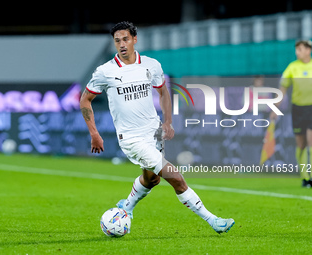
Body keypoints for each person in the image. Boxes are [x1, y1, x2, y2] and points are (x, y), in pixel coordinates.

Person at [80, 21, 234, 233]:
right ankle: (213, 220)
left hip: (153, 132)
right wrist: (94, 134)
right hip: (132, 138)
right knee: (176, 178)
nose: (122, 44)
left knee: (151, 179)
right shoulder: (105, 71)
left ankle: (128, 206)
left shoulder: (151, 65)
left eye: (125, 39)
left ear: (134, 39)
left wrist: (168, 122)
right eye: (117, 41)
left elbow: (163, 93)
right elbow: (85, 100)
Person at [270, 40, 312, 188]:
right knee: (301, 145)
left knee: (311, 141)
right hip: (298, 109)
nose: (297, 52)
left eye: (300, 49)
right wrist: (275, 109)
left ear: (308, 50)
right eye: (296, 49)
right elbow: (282, 89)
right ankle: (305, 177)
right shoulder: (292, 67)